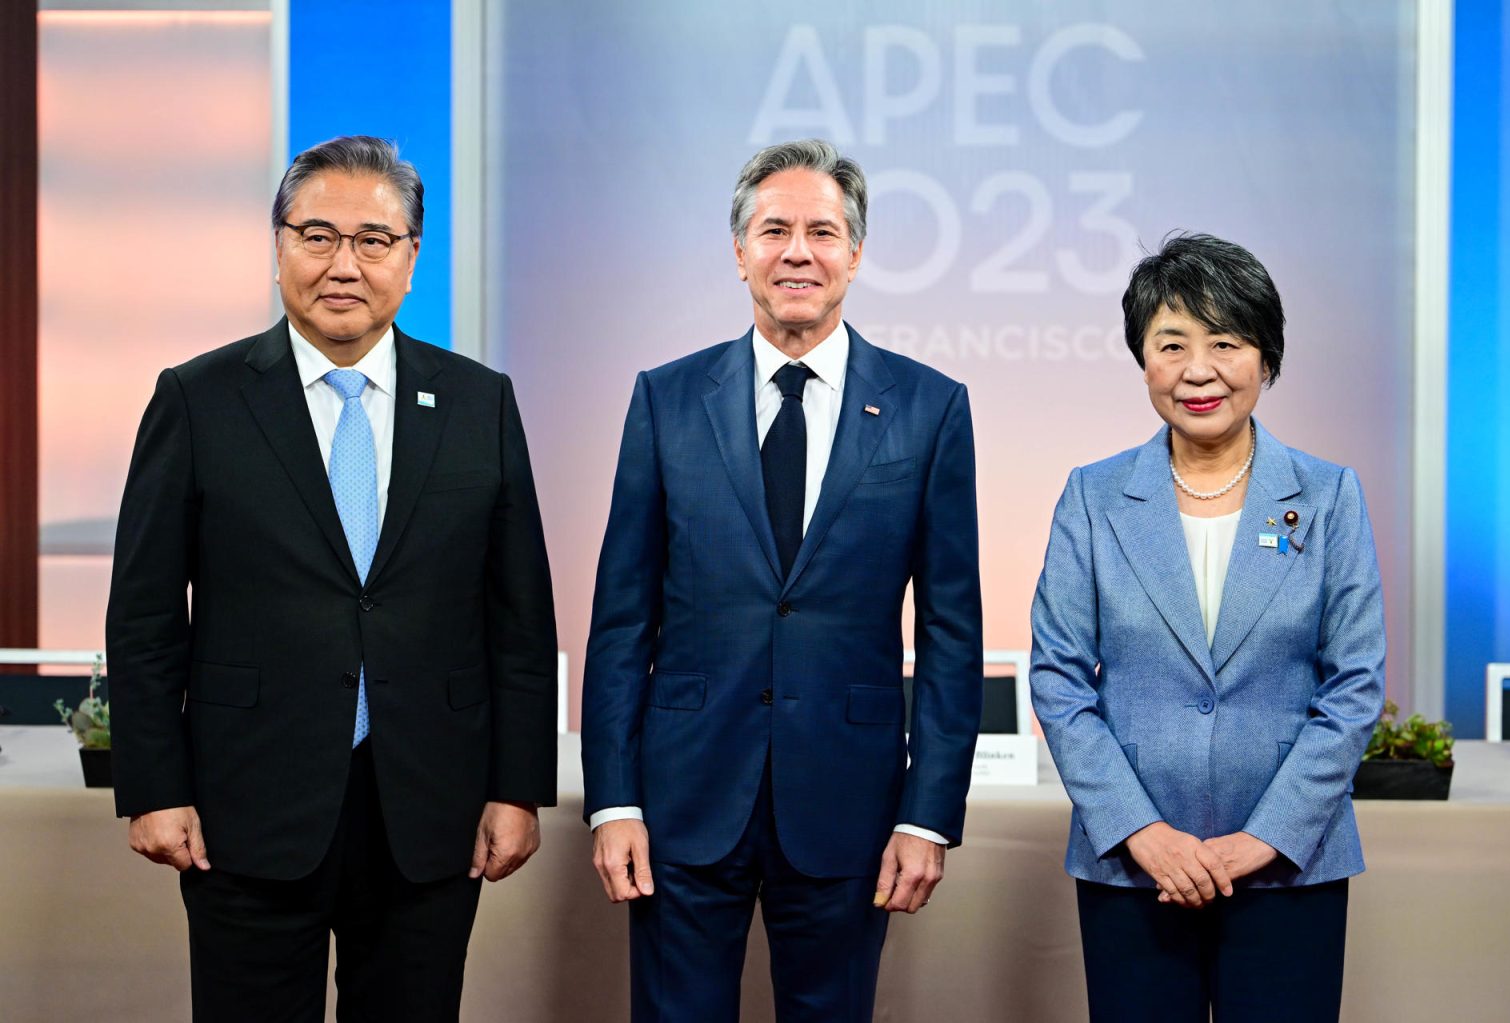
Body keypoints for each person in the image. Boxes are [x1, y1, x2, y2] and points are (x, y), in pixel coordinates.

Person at [106, 135, 557, 1022]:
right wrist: (155, 786)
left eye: (373, 240)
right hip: (246, 806)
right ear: (278, 247)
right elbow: (146, 613)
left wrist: (518, 785)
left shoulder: (479, 402)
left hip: (430, 807)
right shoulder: (198, 398)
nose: (343, 264)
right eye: (317, 235)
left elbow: (519, 616)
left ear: (412, 258)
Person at [580, 139, 983, 1022]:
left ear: (856, 254)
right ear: (739, 252)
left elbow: (953, 635)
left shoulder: (930, 407)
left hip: (848, 802)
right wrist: (611, 797)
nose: (797, 251)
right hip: (683, 798)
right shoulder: (664, 399)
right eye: (774, 230)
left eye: (822, 231)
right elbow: (621, 621)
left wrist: (928, 814)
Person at [1029, 232, 1386, 1022]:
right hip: (1135, 869)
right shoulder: (1093, 496)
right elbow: (1058, 679)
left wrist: (1262, 839)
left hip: (1291, 866)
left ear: (1265, 357)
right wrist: (1141, 831)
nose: (1199, 370)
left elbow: (1354, 686)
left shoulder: (1328, 497)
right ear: (1142, 360)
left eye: (1225, 342)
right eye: (1172, 344)